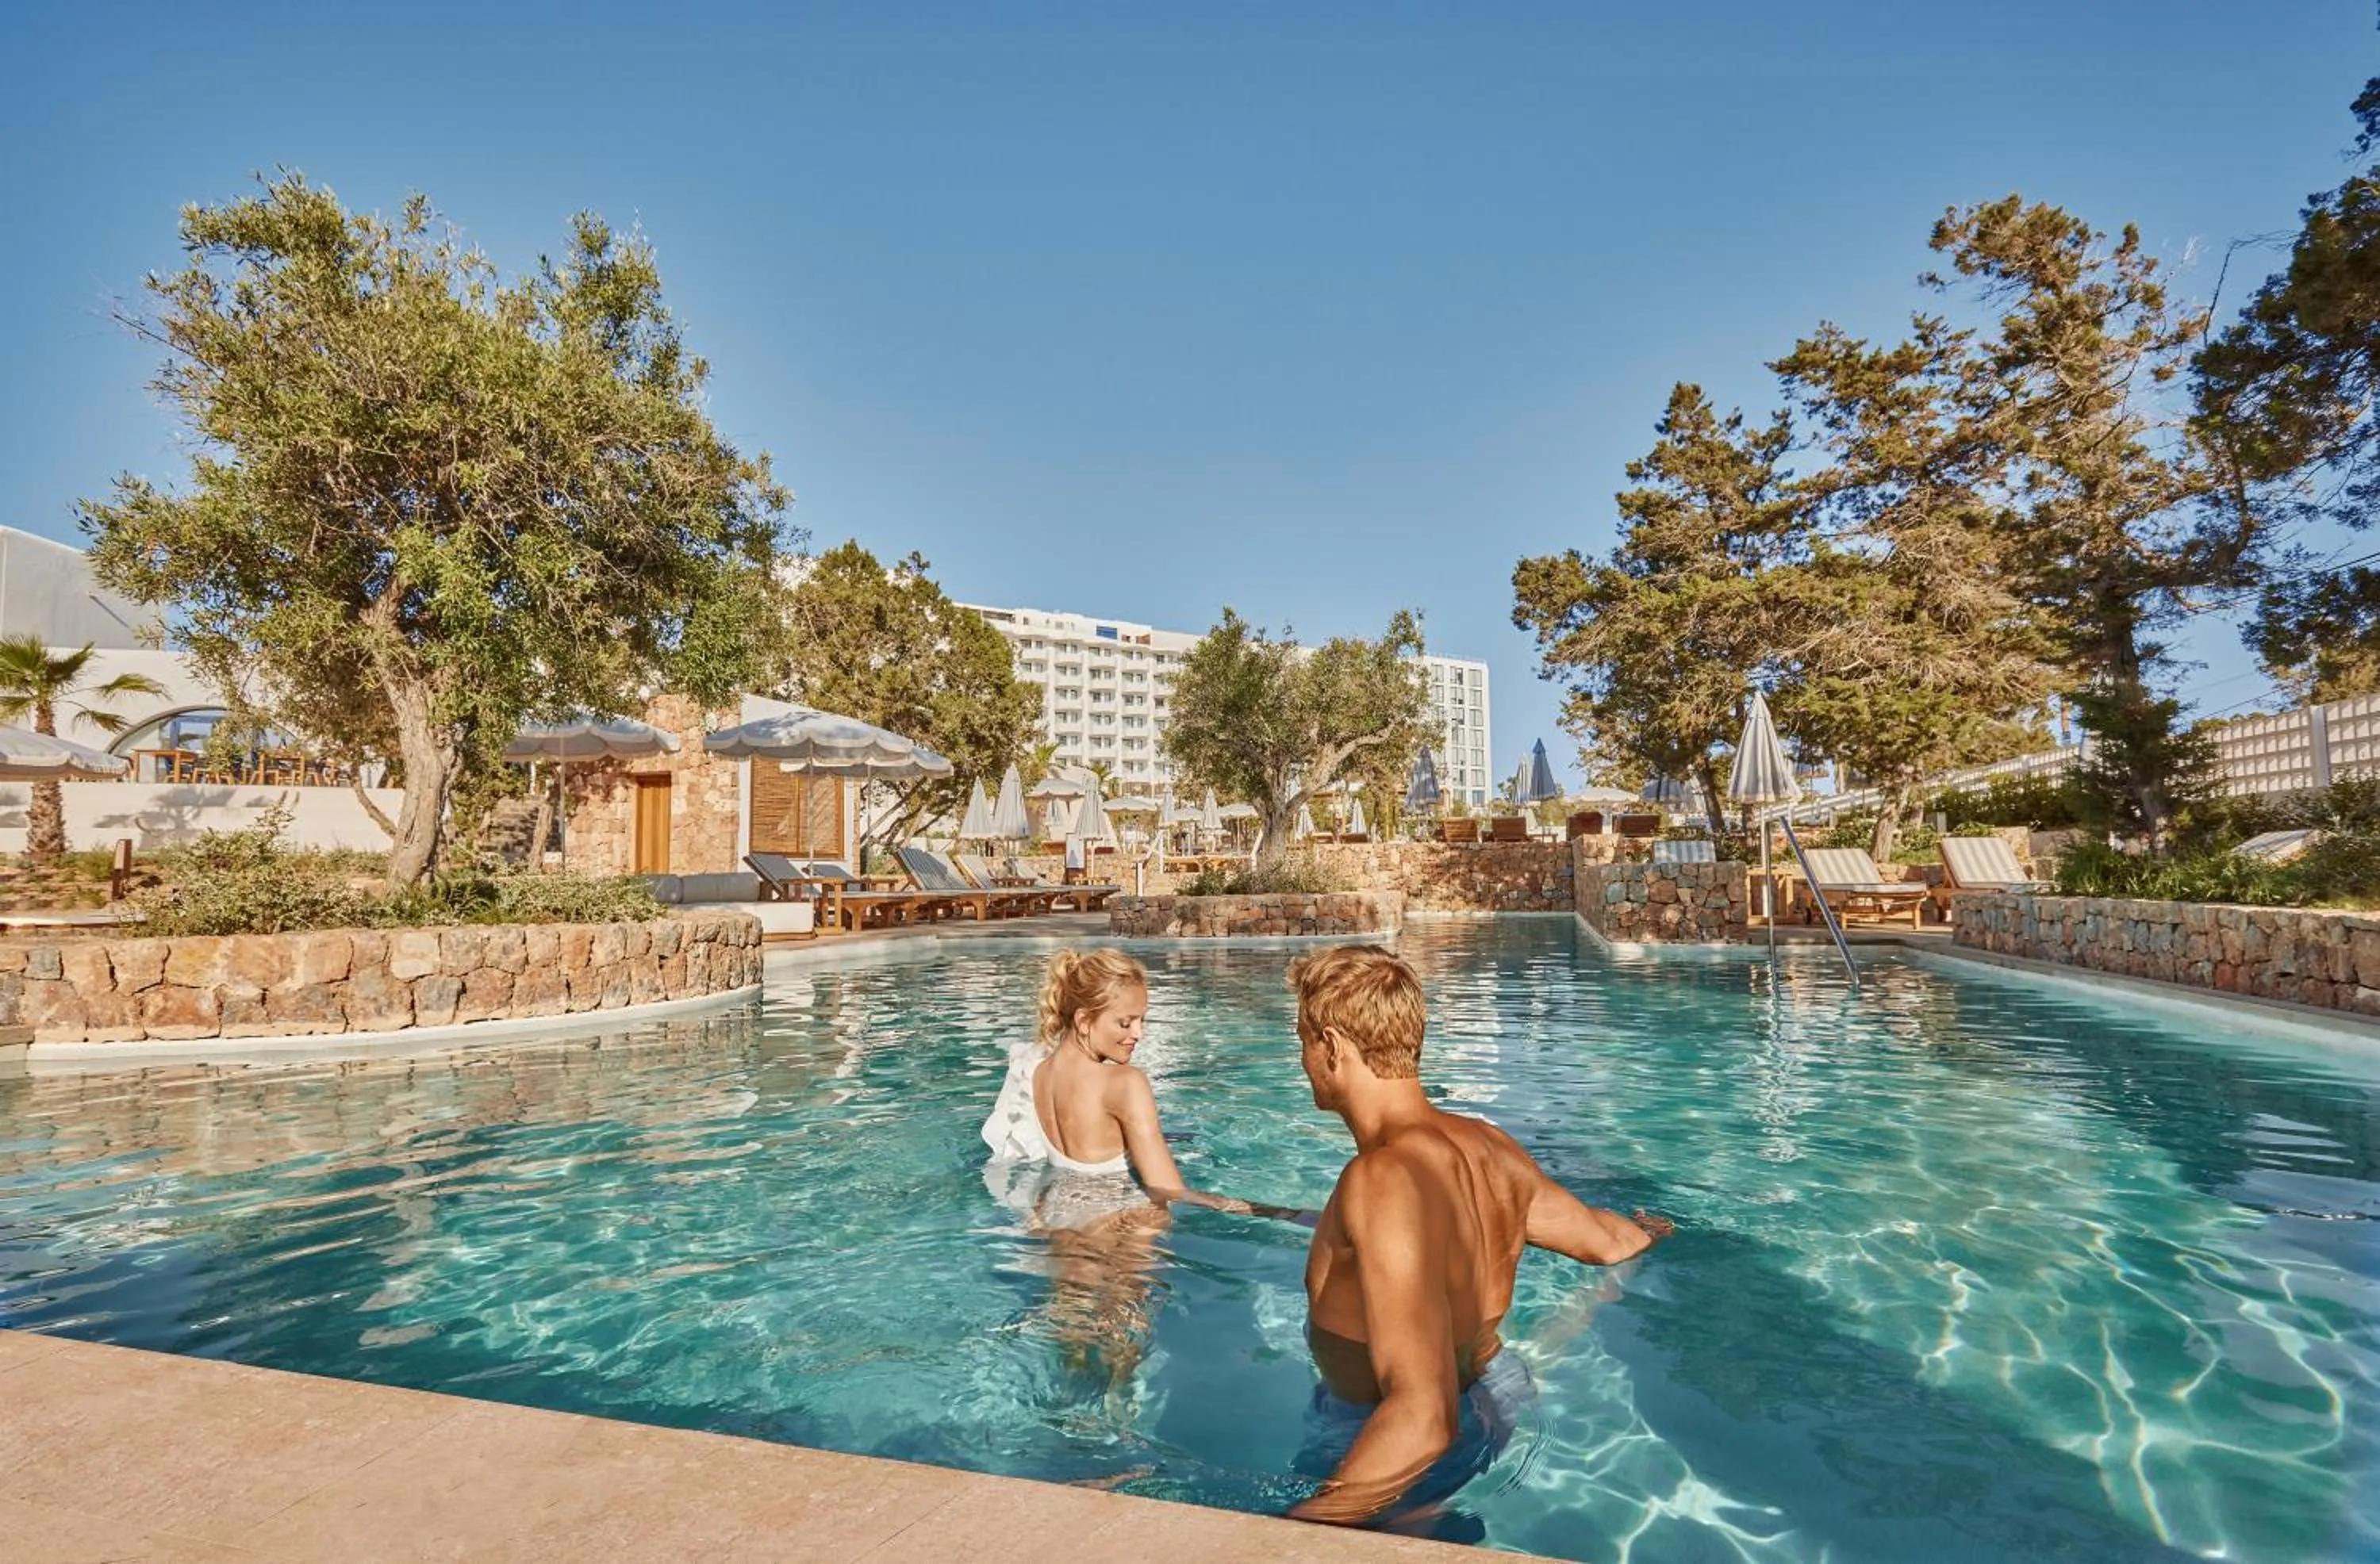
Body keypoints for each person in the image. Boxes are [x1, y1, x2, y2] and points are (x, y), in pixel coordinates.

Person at [1281, 944, 1673, 1530]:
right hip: (1498, 1393)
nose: (1303, 1061)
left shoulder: (1383, 1179)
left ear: (1332, 1046)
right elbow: (1609, 1243)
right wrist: (1652, 1229)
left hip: (1391, 1440)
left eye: (1303, 1042)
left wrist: (1286, 1539)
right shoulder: (1489, 1147)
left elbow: (1423, 1416)